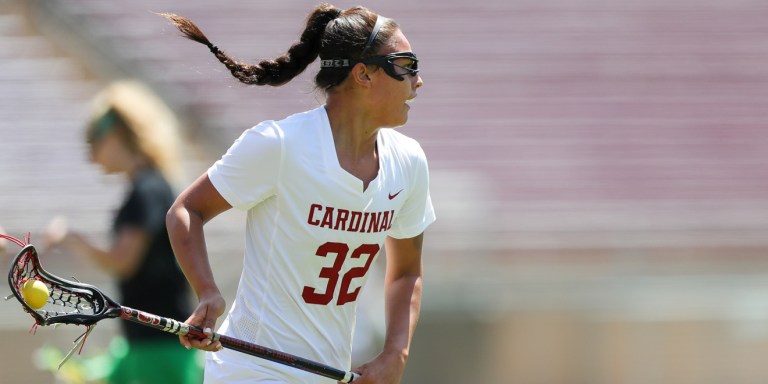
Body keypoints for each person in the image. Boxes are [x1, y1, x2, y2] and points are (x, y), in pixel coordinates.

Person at [162, 3, 435, 383]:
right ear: (363, 75)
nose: (417, 80)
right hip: (251, 371)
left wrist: (396, 352)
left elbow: (406, 273)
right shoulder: (280, 145)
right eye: (405, 64)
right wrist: (207, 291)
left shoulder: (409, 161)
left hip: (327, 373)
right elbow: (187, 209)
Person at [44, 80, 202, 384]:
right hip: (146, 344)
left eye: (94, 141)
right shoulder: (146, 189)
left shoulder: (148, 189)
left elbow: (123, 261)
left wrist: (72, 238)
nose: (92, 157)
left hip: (158, 347)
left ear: (117, 133)